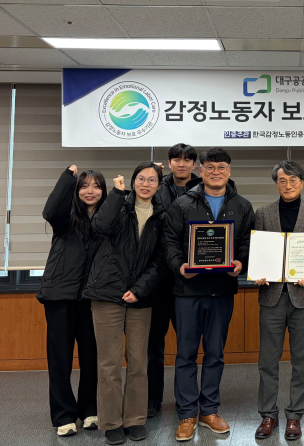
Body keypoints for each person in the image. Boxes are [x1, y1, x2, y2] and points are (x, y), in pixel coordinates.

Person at [164, 147, 255, 442]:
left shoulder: (242, 205)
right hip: (188, 291)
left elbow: (246, 242)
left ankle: (210, 411)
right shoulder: (182, 203)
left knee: (215, 354)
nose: (216, 172)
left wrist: (240, 262)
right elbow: (169, 242)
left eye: (222, 167)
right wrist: (180, 267)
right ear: (201, 171)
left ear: (229, 171)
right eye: (211, 167)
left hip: (222, 291)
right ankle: (187, 414)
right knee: (186, 355)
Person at [83, 162, 165, 445]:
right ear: (132, 182)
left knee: (139, 362)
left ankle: (135, 419)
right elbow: (99, 227)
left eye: (152, 180)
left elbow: (160, 259)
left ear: (159, 185)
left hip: (140, 298)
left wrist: (139, 289)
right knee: (108, 364)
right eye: (141, 179)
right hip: (107, 294)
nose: (146, 184)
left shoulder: (161, 215)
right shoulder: (119, 205)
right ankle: (111, 422)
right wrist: (117, 194)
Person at [252, 160, 304, 441]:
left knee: (301, 359)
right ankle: (268, 414)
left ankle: (295, 415)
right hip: (271, 295)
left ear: (302, 182)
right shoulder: (263, 213)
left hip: (303, 296)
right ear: (276, 183)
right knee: (267, 360)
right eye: (282, 180)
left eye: (293, 180)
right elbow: (258, 249)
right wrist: (258, 272)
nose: (288, 185)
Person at [38, 165, 107, 437]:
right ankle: (64, 416)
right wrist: (68, 177)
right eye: (84, 186)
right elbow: (49, 210)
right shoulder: (65, 217)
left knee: (92, 357)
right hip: (60, 297)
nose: (90, 191)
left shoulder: (107, 219)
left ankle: (89, 409)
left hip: (93, 298)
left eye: (96, 186)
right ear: (77, 190)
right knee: (60, 359)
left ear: (103, 191)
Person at [147, 143, 199, 418]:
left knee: (187, 346)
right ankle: (151, 400)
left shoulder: (204, 188)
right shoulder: (156, 186)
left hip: (190, 280)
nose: (182, 163)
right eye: (176, 159)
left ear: (194, 164)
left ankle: (185, 400)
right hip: (158, 278)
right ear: (168, 163)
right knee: (153, 344)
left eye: (187, 159)